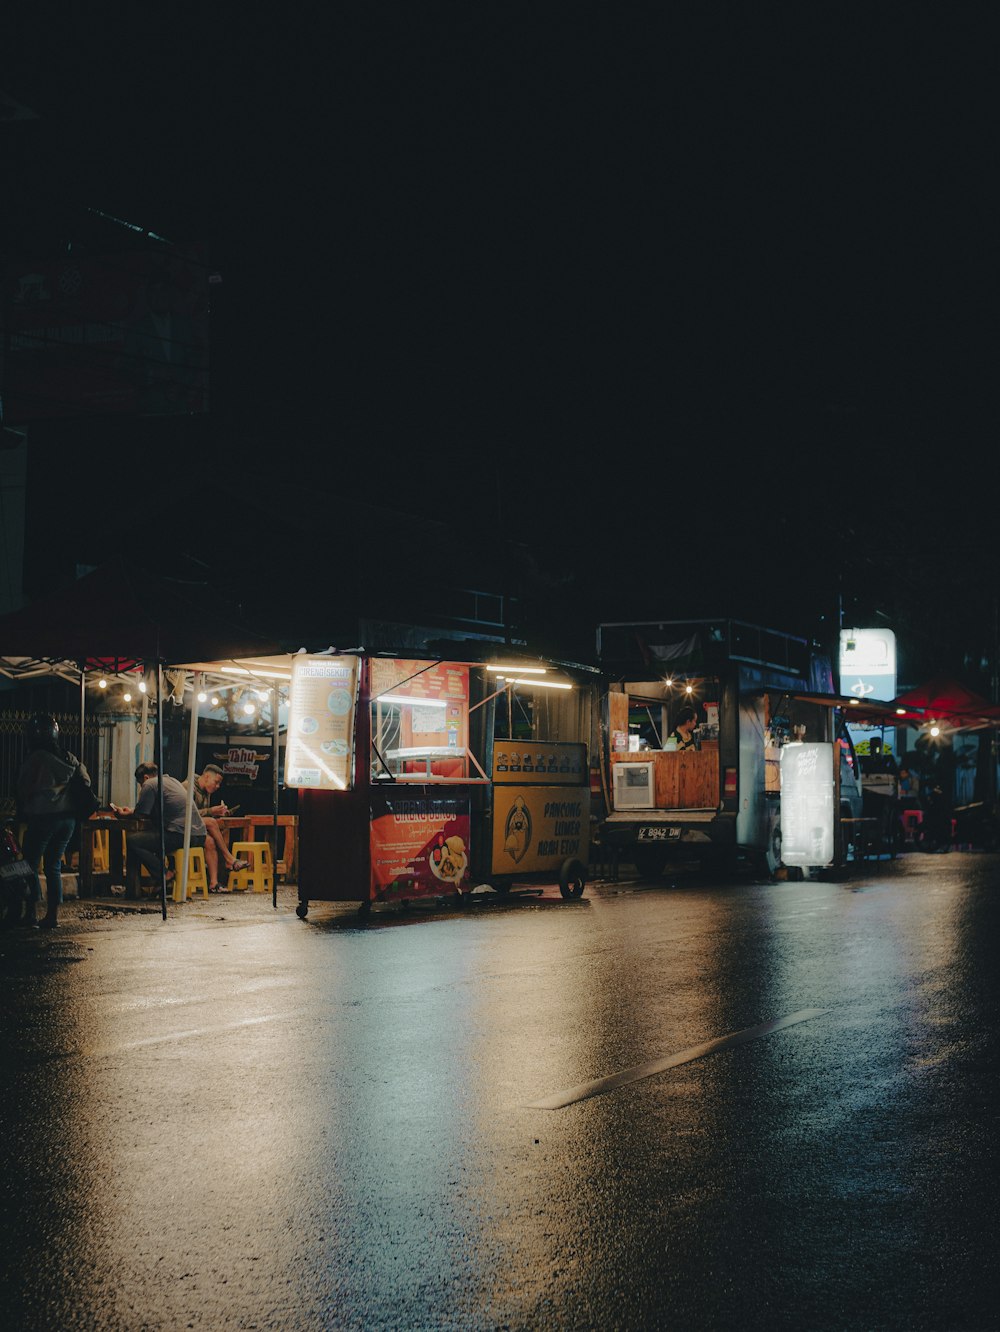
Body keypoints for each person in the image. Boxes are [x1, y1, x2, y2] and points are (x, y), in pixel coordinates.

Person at [15, 713, 93, 929]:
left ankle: (30, 912)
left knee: (30, 864)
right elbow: (85, 781)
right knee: (53, 866)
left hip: (42, 818)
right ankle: (52, 916)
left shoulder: (36, 759)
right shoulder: (69, 757)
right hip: (67, 820)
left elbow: (23, 788)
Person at [115, 762, 207, 896]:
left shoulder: (150, 784)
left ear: (145, 778)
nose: (141, 787)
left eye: (140, 783)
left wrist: (125, 814)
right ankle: (160, 881)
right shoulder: (171, 780)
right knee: (154, 839)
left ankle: (163, 874)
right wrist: (133, 811)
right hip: (199, 835)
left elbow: (141, 813)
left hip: (181, 835)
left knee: (133, 841)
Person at [185, 763, 249, 892]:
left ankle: (214, 883)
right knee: (211, 822)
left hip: (195, 827)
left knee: (210, 842)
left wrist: (217, 812)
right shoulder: (188, 787)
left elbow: (201, 813)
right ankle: (229, 859)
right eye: (216, 782)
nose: (217, 786)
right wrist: (211, 811)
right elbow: (188, 813)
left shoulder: (206, 791)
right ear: (207, 776)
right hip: (181, 824)